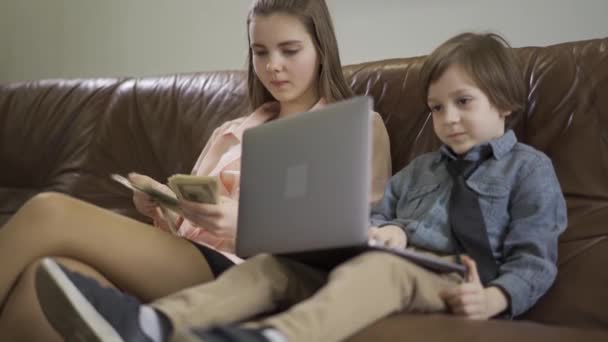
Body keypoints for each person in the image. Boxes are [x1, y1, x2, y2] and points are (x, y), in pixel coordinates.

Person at [34, 31, 568, 342]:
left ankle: (275, 337)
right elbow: (379, 222)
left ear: (504, 102)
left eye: (463, 102)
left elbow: (535, 261)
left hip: (453, 279)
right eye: (435, 108)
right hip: (380, 265)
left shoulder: (528, 170)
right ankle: (154, 323)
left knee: (384, 267)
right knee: (273, 267)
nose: (447, 119)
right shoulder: (420, 172)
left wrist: (495, 298)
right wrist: (384, 233)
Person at [0, 0, 392, 340]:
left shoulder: (356, 126)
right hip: (191, 260)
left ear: (322, 48)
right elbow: (187, 230)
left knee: (50, 212)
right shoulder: (231, 133)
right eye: (260, 52)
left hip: (249, 276)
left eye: (290, 50)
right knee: (44, 277)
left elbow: (353, 236)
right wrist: (165, 208)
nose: (273, 67)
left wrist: (248, 225)